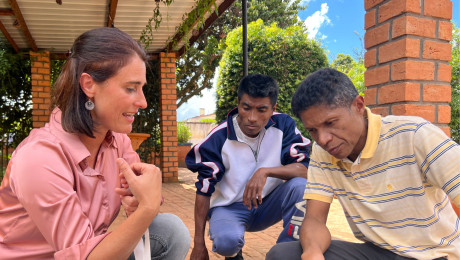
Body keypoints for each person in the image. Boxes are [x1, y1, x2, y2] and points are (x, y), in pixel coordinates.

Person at [0, 28, 190, 260]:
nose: (143, 102)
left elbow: (142, 194)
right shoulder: (39, 157)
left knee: (170, 231)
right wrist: (148, 208)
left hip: (92, 252)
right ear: (89, 85)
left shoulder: (117, 141)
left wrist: (142, 199)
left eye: (141, 89)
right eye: (131, 88)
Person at [266, 68, 460, 260]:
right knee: (283, 255)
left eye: (331, 122)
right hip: (378, 252)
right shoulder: (322, 152)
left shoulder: (415, 135)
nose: (323, 139)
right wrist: (313, 252)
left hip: (432, 253)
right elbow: (315, 218)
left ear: (358, 105)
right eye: (313, 130)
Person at [186, 74, 311, 260]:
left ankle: (286, 252)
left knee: (301, 186)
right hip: (229, 207)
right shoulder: (218, 138)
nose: (252, 118)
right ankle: (234, 253)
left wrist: (266, 172)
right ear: (238, 103)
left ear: (273, 109)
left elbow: (305, 170)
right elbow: (203, 191)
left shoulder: (284, 126)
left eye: (261, 110)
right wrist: (198, 244)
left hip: (268, 204)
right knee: (226, 242)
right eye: (246, 108)